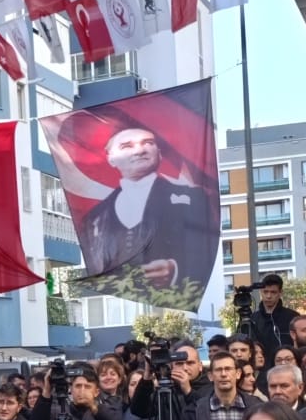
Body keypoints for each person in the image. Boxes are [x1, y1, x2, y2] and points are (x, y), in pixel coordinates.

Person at [77, 127, 216, 300]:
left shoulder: (192, 199)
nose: (140, 150)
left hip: (173, 302)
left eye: (148, 143)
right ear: (111, 159)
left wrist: (175, 269)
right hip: (119, 304)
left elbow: (206, 250)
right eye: (127, 146)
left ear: (159, 153)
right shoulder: (95, 218)